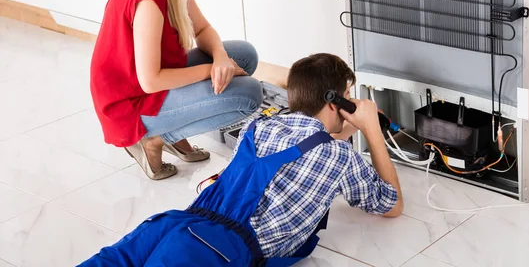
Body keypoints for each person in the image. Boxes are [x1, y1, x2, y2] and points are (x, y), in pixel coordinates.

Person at [79, 53, 403, 266]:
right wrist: (372, 131)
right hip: (215, 252)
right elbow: (391, 205)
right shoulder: (340, 158)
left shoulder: (259, 126)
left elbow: (305, 145)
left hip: (175, 223)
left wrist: (340, 129)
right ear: (336, 103)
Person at [89, 0, 263, 180]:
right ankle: (153, 138)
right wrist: (210, 69)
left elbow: (203, 29)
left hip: (154, 80)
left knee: (243, 54)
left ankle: (167, 132)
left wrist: (220, 57)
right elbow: (150, 80)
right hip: (131, 103)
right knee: (249, 94)